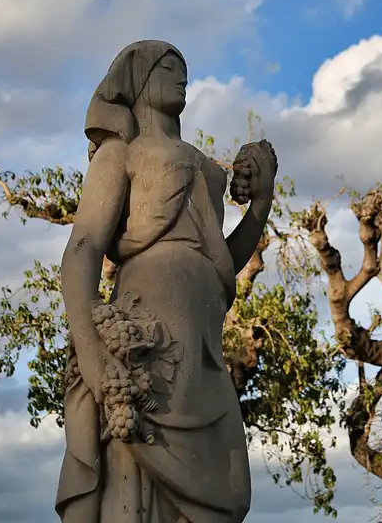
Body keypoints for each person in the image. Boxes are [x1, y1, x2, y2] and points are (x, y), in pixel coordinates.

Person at [56, 40, 277, 523]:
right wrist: (91, 349)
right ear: (137, 80)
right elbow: (83, 249)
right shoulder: (121, 156)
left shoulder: (207, 169)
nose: (181, 77)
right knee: (134, 478)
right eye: (168, 68)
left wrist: (259, 207)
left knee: (223, 489)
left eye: (184, 69)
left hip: (203, 350)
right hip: (145, 346)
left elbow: (218, 260)